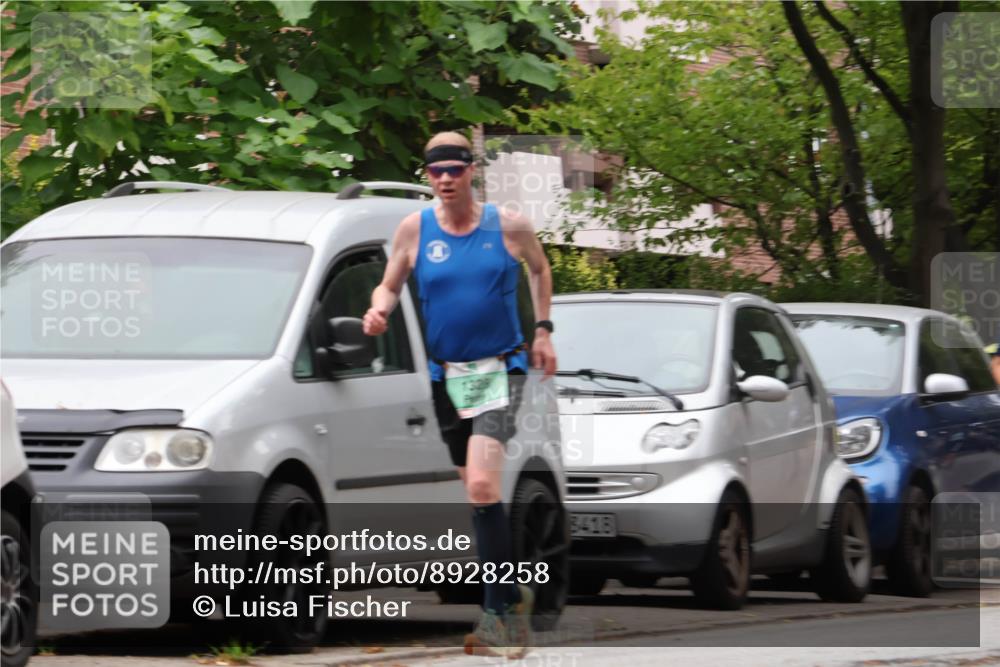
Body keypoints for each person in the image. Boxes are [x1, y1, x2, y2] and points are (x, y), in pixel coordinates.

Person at [362, 131, 556, 658]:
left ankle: (501, 617)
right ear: (427, 176)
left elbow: (540, 270)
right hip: (446, 376)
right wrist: (379, 308)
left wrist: (541, 330)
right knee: (475, 493)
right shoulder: (414, 228)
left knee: (479, 487)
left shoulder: (507, 225)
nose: (445, 180)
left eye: (455, 170)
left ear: (472, 171)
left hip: (502, 369)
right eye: (436, 172)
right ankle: (510, 597)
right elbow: (389, 283)